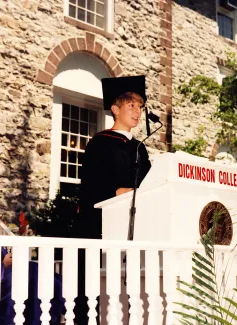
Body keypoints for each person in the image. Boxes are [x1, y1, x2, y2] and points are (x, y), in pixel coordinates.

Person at [73, 75, 152, 324]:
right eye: (131, 106)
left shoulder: (140, 148)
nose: (138, 112)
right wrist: (118, 192)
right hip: (99, 226)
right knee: (93, 295)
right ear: (116, 109)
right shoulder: (99, 144)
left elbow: (149, 185)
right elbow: (90, 187)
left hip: (134, 229)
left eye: (140, 106)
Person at [0, 247, 65, 325]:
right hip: (5, 281)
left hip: (14, 274)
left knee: (31, 269)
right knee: (30, 271)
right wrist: (3, 264)